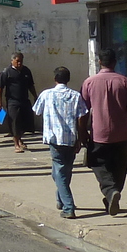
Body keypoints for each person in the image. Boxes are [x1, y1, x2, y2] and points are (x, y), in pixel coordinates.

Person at [81, 48, 127, 216]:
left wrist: (81, 131)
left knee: (98, 164)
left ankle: (110, 191)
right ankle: (113, 193)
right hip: (121, 133)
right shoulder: (124, 82)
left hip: (99, 133)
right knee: (120, 166)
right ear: (115, 62)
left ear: (100, 62)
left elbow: (82, 110)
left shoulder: (89, 82)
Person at [34, 66, 87, 218]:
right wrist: (80, 137)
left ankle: (69, 207)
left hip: (54, 139)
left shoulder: (47, 94)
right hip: (70, 138)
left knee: (60, 173)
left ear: (55, 79)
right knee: (64, 171)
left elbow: (37, 110)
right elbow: (82, 116)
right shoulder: (76, 96)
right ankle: (61, 200)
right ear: (68, 79)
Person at [0, 51, 39, 152]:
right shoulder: (6, 72)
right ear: (12, 61)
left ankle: (19, 139)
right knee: (14, 122)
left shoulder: (26, 71)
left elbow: (30, 86)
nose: (19, 63)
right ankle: (16, 144)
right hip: (12, 101)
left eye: (21, 61)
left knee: (25, 122)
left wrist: (35, 96)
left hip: (24, 100)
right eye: (17, 61)